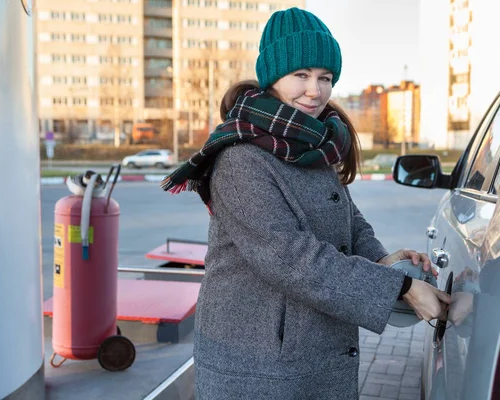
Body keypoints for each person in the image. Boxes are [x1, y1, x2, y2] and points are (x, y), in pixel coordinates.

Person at [161, 7, 450, 399]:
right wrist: (398, 288)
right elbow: (290, 258)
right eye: (301, 75)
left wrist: (382, 260)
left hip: (308, 352)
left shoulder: (310, 143)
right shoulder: (240, 158)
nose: (315, 91)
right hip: (257, 366)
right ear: (272, 77)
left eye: (325, 78)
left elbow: (348, 218)